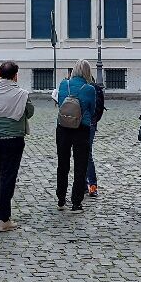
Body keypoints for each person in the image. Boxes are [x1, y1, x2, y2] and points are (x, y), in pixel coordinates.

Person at [0, 61, 34, 232]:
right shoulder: (21, 94)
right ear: (15, 75)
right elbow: (29, 112)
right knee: (8, 176)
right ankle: (4, 218)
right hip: (13, 138)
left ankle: (2, 208)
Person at [54, 59, 97, 212]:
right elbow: (92, 110)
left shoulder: (63, 84)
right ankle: (76, 202)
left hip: (63, 127)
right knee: (80, 166)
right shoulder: (89, 89)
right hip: (81, 128)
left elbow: (60, 104)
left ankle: (60, 198)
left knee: (62, 164)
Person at [86, 78, 107, 198]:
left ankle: (91, 184)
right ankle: (90, 184)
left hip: (84, 123)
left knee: (85, 154)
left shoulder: (88, 88)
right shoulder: (95, 88)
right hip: (92, 123)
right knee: (86, 153)